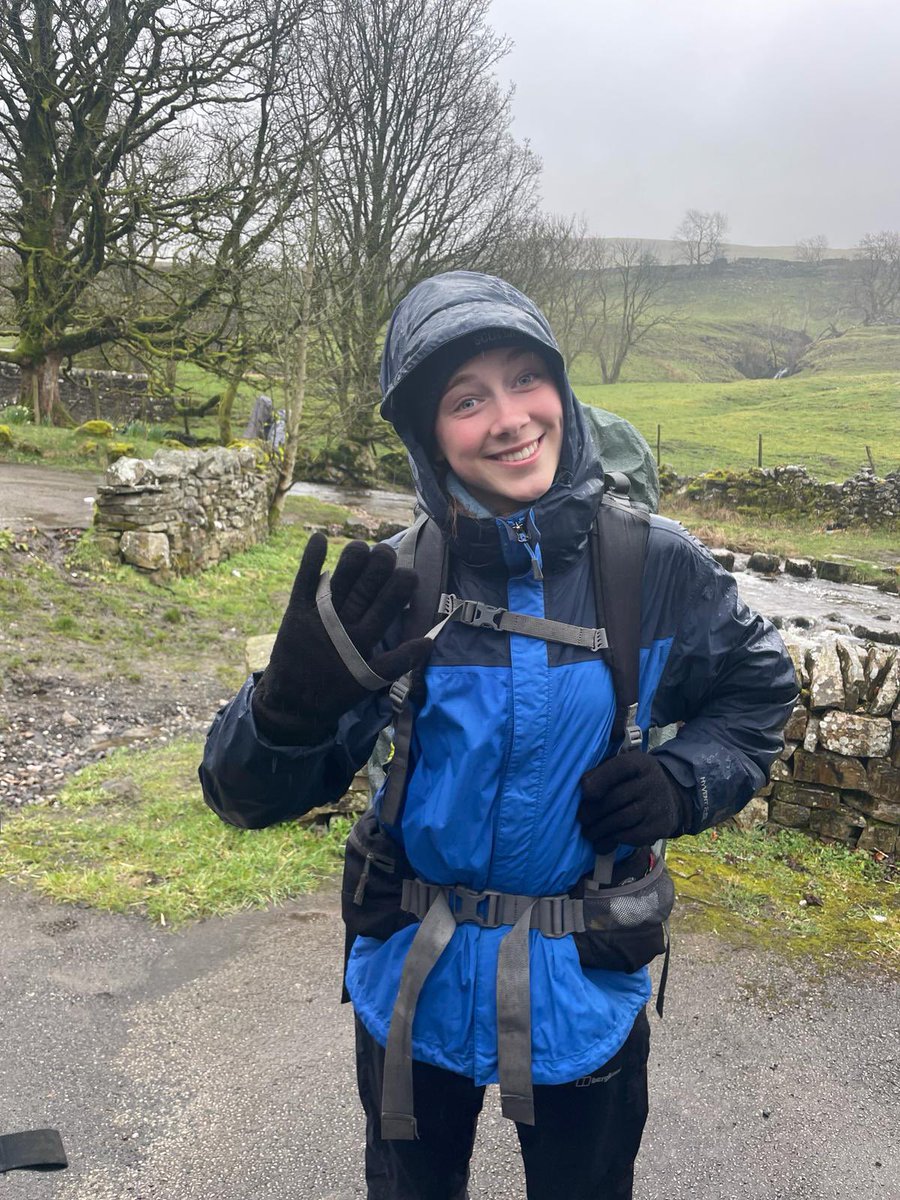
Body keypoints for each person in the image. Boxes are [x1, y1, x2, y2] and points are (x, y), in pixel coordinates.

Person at [200, 270, 797, 1200]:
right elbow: (240, 798)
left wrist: (687, 781)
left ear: (563, 389)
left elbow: (758, 690)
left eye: (527, 379)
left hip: (583, 984)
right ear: (427, 436)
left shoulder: (652, 565)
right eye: (466, 399)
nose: (510, 418)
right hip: (413, 980)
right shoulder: (401, 584)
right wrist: (286, 712)